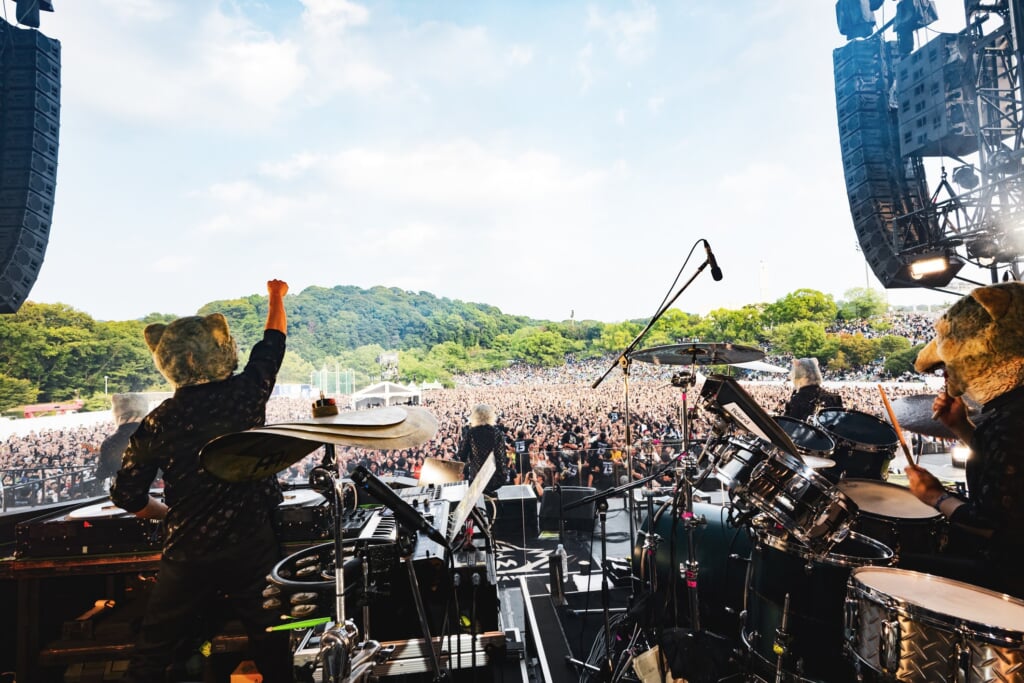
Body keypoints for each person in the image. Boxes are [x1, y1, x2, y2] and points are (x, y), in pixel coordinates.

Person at [110, 279, 293, 682]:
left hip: (187, 548)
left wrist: (166, 514)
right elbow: (272, 344)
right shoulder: (246, 394)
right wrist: (275, 297)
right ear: (221, 349)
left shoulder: (159, 420)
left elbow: (127, 494)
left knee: (152, 653)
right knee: (271, 643)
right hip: (251, 542)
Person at [455, 403, 509, 495]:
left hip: (477, 475)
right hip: (493, 476)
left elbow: (462, 455)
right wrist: (502, 474)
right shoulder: (497, 432)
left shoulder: (471, 433)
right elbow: (501, 456)